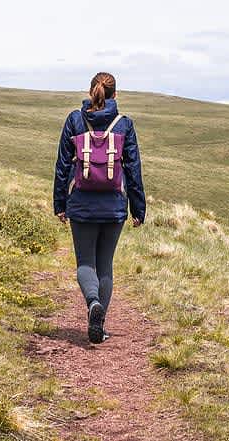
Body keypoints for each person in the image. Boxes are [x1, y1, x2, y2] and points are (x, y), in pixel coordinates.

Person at [53, 72, 146, 344]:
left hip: (80, 203)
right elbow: (134, 169)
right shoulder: (124, 124)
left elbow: (61, 167)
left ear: (90, 90)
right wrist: (138, 209)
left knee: (85, 263)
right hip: (115, 205)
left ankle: (93, 303)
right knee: (105, 266)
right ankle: (100, 324)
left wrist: (60, 203)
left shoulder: (74, 120)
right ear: (115, 95)